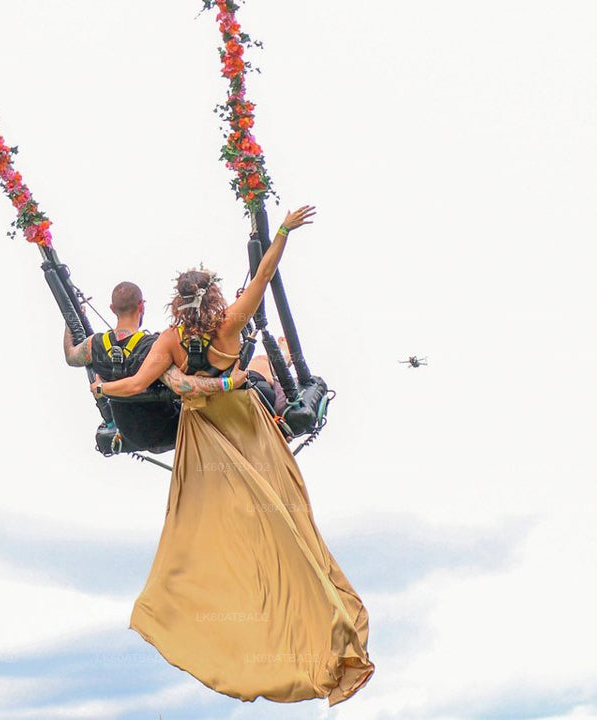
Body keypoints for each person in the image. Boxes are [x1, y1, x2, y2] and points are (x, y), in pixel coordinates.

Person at [93, 206, 374, 705]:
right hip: (245, 429)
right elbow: (264, 275)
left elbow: (136, 384)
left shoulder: (170, 340)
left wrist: (103, 385)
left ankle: (196, 617)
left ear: (176, 305)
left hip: (204, 434)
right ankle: (322, 625)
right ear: (215, 296)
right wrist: (282, 231)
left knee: (207, 534)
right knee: (284, 519)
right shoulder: (232, 324)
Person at [62, 281, 246, 453]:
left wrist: (70, 322)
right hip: (168, 431)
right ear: (141, 306)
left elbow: (70, 356)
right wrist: (228, 382)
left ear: (112, 309)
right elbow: (183, 385)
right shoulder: (154, 347)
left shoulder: (94, 345)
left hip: (130, 435)